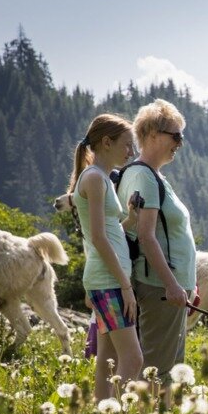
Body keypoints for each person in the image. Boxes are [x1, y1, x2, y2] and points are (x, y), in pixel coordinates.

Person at [116, 99, 197, 380]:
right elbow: (147, 237)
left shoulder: (153, 176)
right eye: (176, 136)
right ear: (152, 135)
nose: (180, 143)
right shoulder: (145, 177)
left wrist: (188, 284)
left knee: (169, 368)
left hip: (171, 287)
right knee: (158, 371)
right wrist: (173, 285)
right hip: (160, 288)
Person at [68, 114, 143, 398]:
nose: (131, 152)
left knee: (108, 360)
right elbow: (98, 238)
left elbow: (107, 232)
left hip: (107, 278)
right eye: (126, 145)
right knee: (133, 359)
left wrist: (131, 220)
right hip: (110, 281)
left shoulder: (100, 179)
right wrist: (126, 286)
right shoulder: (96, 179)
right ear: (106, 142)